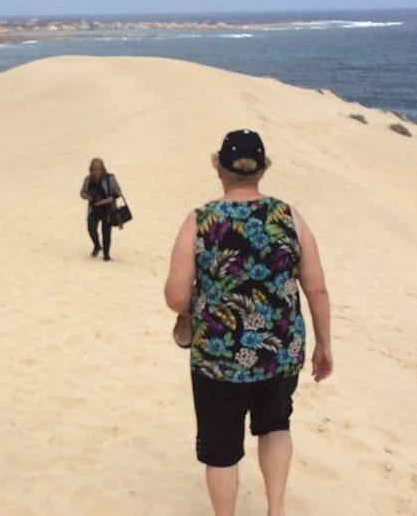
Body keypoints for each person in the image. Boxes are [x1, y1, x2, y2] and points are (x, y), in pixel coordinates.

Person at [164, 129, 332, 516]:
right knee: (275, 426)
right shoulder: (288, 216)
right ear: (263, 169)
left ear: (219, 169)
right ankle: (276, 509)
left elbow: (175, 296)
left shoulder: (200, 220)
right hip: (280, 352)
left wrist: (209, 300)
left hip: (217, 358)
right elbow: (317, 289)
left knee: (221, 447)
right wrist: (324, 345)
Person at [79, 158, 123, 261]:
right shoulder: (88, 179)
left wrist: (107, 200)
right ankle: (97, 245)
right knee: (91, 228)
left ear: (103, 169)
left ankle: (106, 255)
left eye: (99, 169)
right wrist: (87, 197)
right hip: (94, 209)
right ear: (91, 170)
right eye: (94, 169)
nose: (97, 172)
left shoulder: (110, 178)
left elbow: (118, 193)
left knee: (106, 232)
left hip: (108, 209)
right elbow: (82, 192)